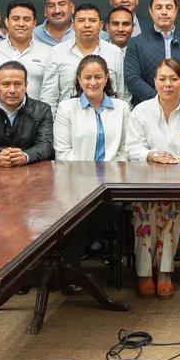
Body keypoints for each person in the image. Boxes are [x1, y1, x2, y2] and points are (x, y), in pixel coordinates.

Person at [127, 59, 180, 298]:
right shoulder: (141, 110)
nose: (168, 84)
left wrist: (177, 162)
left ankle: (164, 271)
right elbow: (132, 148)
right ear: (154, 82)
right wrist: (152, 155)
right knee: (144, 209)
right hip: (145, 179)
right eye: (162, 79)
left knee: (172, 210)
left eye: (174, 79)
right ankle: (144, 272)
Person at [52, 55, 131, 267]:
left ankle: (71, 266)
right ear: (79, 79)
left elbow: (125, 150)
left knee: (106, 207)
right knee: (78, 210)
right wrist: (89, 176)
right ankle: (74, 265)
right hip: (74, 181)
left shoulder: (121, 108)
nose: (93, 82)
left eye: (98, 77)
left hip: (112, 182)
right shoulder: (66, 108)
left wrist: (108, 174)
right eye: (87, 77)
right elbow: (63, 152)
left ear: (106, 78)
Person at [0, 61, 54, 174]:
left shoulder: (42, 110)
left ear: (26, 85)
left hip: (32, 172)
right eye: (5, 85)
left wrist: (26, 156)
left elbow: (45, 145)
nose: (12, 90)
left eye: (18, 84)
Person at [124, 0, 180, 105]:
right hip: (149, 110)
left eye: (169, 7)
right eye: (159, 8)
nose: (164, 12)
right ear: (151, 11)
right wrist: (159, 102)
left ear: (176, 11)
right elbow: (132, 78)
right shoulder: (136, 43)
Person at [41, 4, 127, 110]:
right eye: (81, 20)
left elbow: (123, 95)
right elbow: (48, 97)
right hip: (68, 118)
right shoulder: (58, 52)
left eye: (92, 20)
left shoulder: (115, 52)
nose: (87, 25)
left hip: (108, 117)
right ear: (73, 25)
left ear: (101, 26)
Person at [0, 0, 49, 108]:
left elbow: (52, 93)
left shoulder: (48, 53)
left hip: (37, 117)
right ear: (7, 22)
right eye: (16, 19)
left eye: (26, 19)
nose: (21, 24)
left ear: (34, 23)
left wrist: (44, 116)